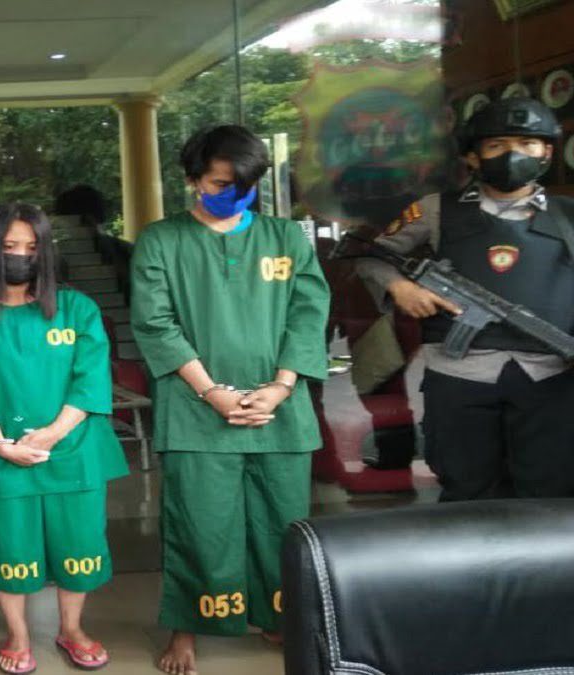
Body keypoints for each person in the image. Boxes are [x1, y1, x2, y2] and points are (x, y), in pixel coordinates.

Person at [130, 125, 330, 674]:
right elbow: (155, 322)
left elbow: (308, 314)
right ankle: (187, 627)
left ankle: (278, 616)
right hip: (196, 410)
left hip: (279, 411)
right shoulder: (161, 241)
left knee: (282, 524)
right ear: (193, 179)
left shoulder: (286, 238)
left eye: (245, 186)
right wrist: (212, 391)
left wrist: (281, 387)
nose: (234, 196)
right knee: (200, 524)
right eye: (221, 184)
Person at [356, 97, 574, 501]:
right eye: (497, 145)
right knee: (467, 488)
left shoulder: (568, 216)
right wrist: (401, 288)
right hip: (460, 375)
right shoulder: (435, 210)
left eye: (527, 144)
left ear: (546, 152)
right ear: (473, 156)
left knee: (550, 489)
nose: (513, 155)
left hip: (551, 375)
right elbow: (371, 257)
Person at [0, 203, 128, 674]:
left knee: (78, 546)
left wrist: (52, 433)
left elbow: (90, 379)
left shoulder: (78, 309)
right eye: (9, 246)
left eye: (31, 247)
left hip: (74, 451)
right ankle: (19, 634)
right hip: (1, 454)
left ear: (45, 251)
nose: (20, 256)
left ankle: (72, 629)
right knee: (9, 549)